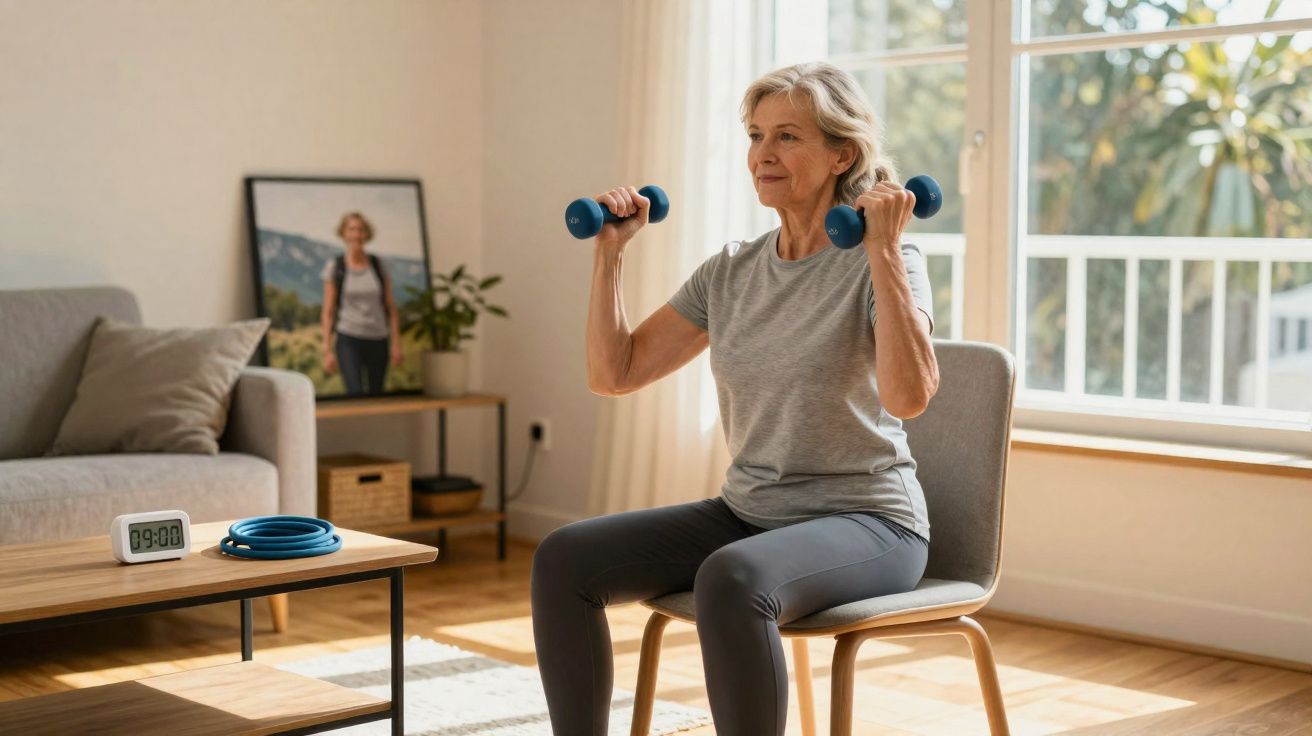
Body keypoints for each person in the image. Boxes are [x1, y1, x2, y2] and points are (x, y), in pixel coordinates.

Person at [531, 61, 941, 735]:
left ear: (843, 153)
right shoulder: (732, 271)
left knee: (732, 579)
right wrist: (610, 256)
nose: (763, 155)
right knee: (564, 559)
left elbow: (910, 396)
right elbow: (616, 373)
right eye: (755, 135)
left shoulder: (889, 261)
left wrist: (885, 255)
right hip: (751, 512)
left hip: (871, 522)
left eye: (787, 136)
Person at [319, 212, 403, 395]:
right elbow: (328, 311)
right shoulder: (336, 266)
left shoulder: (378, 265)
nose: (356, 234)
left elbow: (391, 308)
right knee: (354, 392)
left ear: (367, 234)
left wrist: (396, 344)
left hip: (378, 338)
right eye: (351, 229)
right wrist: (326, 350)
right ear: (343, 233)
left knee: (376, 394)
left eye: (361, 229)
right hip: (348, 338)